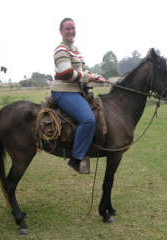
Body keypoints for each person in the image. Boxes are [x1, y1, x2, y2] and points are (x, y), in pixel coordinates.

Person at [51, 18, 107, 174]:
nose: (71, 31)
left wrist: (96, 76)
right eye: (67, 28)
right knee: (88, 119)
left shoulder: (74, 49)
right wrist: (88, 78)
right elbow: (67, 73)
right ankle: (76, 158)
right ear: (61, 31)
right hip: (64, 92)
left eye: (73, 28)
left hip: (75, 91)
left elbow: (83, 70)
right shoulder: (61, 49)